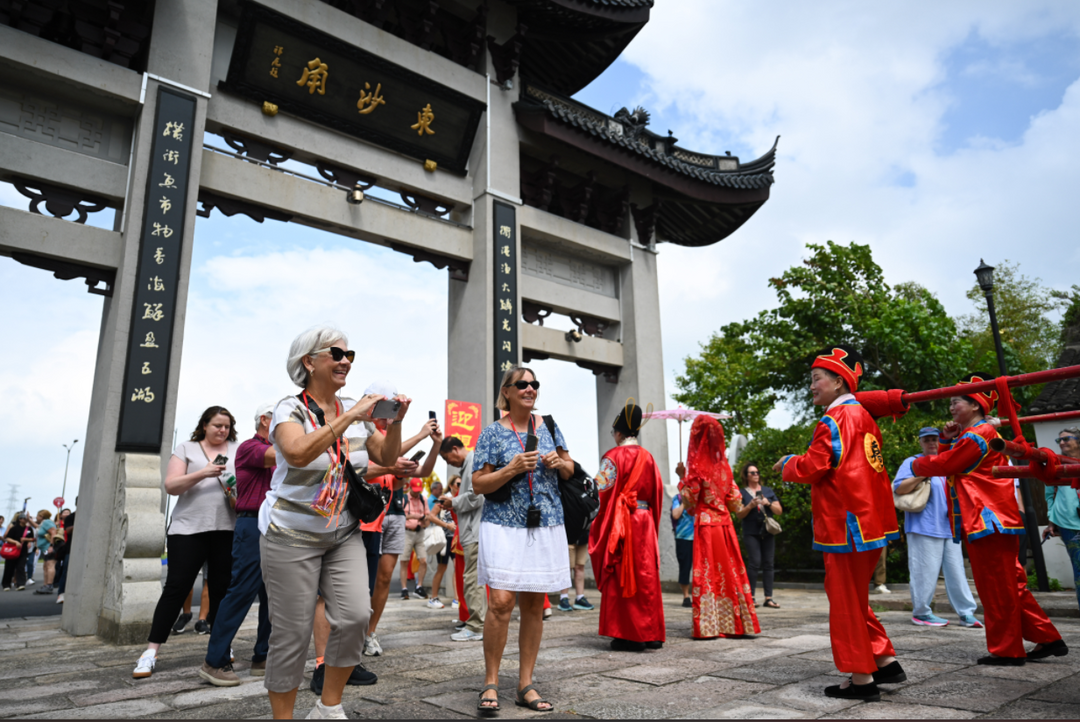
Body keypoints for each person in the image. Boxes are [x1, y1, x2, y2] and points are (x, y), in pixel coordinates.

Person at [257, 326, 411, 719]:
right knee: (291, 635)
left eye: (350, 355)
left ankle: (328, 707)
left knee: (356, 617)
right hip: (291, 535)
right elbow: (297, 453)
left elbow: (387, 458)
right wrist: (352, 416)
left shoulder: (354, 413)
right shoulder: (289, 409)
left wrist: (393, 425)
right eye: (337, 354)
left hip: (343, 533)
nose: (346, 361)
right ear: (309, 362)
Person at [773, 345, 902, 702]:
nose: (812, 386)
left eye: (816, 379)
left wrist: (787, 463)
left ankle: (861, 679)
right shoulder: (863, 417)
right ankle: (884, 658)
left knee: (845, 601)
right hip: (869, 521)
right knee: (855, 598)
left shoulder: (835, 419)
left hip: (845, 523)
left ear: (839, 382)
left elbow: (813, 466)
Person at [911, 375, 1065, 666]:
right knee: (1011, 585)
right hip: (997, 519)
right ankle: (1047, 637)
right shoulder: (976, 434)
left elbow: (948, 464)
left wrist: (918, 463)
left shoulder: (976, 435)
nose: (951, 407)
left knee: (997, 588)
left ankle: (1008, 649)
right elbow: (954, 457)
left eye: (956, 401)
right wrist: (947, 439)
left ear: (974, 406)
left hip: (986, 519)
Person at [472, 366, 572, 713]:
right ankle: (491, 681)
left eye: (534, 384)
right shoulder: (490, 434)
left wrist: (559, 462)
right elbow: (478, 484)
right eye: (523, 384)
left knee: (533, 604)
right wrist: (512, 469)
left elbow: (571, 468)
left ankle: (525, 683)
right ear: (507, 391)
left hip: (545, 523)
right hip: (502, 523)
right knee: (500, 602)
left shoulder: (551, 425)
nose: (530, 389)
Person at [132, 406, 239, 680]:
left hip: (226, 528)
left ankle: (220, 648)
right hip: (187, 529)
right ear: (204, 425)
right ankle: (150, 652)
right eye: (217, 425)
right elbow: (171, 485)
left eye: (226, 426)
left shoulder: (238, 449)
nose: (222, 430)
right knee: (177, 587)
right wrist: (202, 473)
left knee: (220, 590)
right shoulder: (187, 448)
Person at [198, 403, 278, 686]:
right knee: (242, 591)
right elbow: (277, 455)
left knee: (273, 596)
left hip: (277, 526)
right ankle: (215, 660)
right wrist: (302, 442)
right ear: (266, 420)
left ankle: (263, 655)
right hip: (253, 523)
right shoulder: (249, 447)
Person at [363, 413, 440, 658]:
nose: (388, 419)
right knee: (363, 580)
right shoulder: (364, 435)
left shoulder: (394, 444)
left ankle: (369, 632)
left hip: (393, 516)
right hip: (367, 517)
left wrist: (436, 443)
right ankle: (352, 633)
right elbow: (358, 470)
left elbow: (423, 471)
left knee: (384, 577)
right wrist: (419, 435)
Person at [590, 402, 665, 652]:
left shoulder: (612, 457)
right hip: (644, 520)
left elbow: (601, 491)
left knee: (622, 572)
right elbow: (657, 493)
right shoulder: (649, 458)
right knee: (646, 574)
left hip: (621, 523)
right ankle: (651, 632)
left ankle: (627, 634)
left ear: (619, 433)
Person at [678, 416, 760, 639]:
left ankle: (709, 626)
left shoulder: (696, 471)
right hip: (725, 526)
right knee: (730, 572)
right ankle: (735, 623)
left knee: (707, 574)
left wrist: (682, 478)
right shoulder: (725, 469)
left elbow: (689, 501)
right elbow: (734, 502)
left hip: (706, 525)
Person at [893, 427, 981, 628]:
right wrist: (925, 472)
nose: (932, 443)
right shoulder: (912, 462)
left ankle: (966, 613)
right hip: (923, 525)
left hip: (951, 526)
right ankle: (921, 613)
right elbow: (899, 488)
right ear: (920, 443)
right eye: (927, 440)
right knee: (923, 572)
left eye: (935, 439)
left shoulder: (948, 462)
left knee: (957, 572)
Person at [438, 436, 487, 643]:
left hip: (474, 531)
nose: (449, 463)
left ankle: (476, 626)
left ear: (455, 449)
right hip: (472, 530)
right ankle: (477, 623)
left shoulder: (473, 461)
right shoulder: (471, 463)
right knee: (472, 579)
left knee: (472, 580)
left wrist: (453, 502)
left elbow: (476, 496)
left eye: (448, 458)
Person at [735, 463, 782, 608]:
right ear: (746, 476)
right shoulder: (741, 493)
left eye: (757, 472)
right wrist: (750, 506)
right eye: (752, 472)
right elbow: (739, 514)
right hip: (751, 532)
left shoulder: (767, 491)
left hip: (767, 531)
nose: (756, 474)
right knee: (754, 562)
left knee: (769, 563)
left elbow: (779, 511)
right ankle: (751, 597)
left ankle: (768, 598)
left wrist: (768, 504)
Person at [1044, 427, 1080, 611]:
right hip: (1068, 522)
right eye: (1060, 441)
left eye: (1066, 439)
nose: (1062, 443)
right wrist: (1052, 520)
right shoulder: (1057, 465)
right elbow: (1049, 495)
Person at [426, 480, 457, 610]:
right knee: (442, 567)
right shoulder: (444, 499)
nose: (459, 486)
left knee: (458, 567)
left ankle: (457, 598)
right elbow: (431, 516)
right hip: (444, 538)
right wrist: (447, 525)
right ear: (451, 485)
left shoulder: (461, 499)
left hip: (456, 538)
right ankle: (433, 598)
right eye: (458, 484)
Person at [401, 478, 431, 599]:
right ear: (410, 488)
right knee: (404, 561)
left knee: (423, 560)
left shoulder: (423, 499)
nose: (417, 493)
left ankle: (419, 587)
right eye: (415, 490)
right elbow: (400, 516)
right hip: (407, 532)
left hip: (420, 532)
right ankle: (404, 589)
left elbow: (428, 515)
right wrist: (412, 516)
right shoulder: (404, 498)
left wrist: (424, 519)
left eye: (419, 490)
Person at [558, 523, 594, 613]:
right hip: (568, 534)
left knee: (580, 566)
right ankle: (564, 597)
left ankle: (580, 597)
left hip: (582, 535)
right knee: (567, 567)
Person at [671, 489, 694, 608]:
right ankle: (686, 597)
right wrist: (685, 501)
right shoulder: (678, 498)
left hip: (701, 537)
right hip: (683, 537)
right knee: (685, 567)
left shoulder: (701, 498)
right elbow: (675, 515)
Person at [31, 510, 58, 594]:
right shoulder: (43, 523)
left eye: (38, 516)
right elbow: (37, 527)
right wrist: (29, 519)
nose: (36, 517)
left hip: (49, 547)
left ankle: (49, 585)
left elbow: (54, 533)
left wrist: (51, 546)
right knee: (45, 566)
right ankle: (45, 585)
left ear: (42, 516)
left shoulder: (47, 522)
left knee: (50, 565)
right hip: (44, 548)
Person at [2, 514, 32, 591]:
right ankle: (6, 584)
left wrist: (26, 540)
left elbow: (32, 539)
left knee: (21, 567)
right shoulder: (14, 528)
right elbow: (8, 538)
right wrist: (16, 542)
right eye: (25, 518)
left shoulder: (29, 529)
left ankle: (21, 584)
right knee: (9, 568)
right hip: (12, 550)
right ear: (20, 519)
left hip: (23, 551)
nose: (26, 520)